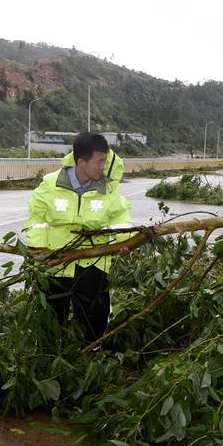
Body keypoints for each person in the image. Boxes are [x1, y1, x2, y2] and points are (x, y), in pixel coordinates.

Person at [24, 133, 133, 343]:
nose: (103, 166)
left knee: (94, 318)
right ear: (81, 162)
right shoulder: (50, 185)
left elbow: (121, 218)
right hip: (54, 264)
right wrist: (38, 253)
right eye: (99, 161)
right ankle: (47, 359)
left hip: (94, 264)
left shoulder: (108, 188)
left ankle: (90, 355)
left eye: (105, 160)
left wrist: (125, 242)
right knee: (50, 319)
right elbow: (36, 219)